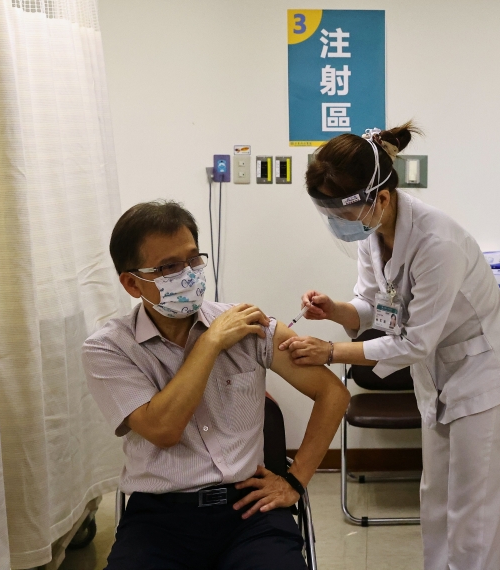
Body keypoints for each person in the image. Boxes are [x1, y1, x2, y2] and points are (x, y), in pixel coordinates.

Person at [281, 124, 500, 570]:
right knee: (436, 499)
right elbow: (376, 306)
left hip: (484, 372)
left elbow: (412, 341)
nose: (341, 222)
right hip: (438, 371)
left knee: (475, 511)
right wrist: (335, 310)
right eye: (331, 212)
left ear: (382, 196)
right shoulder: (372, 230)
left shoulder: (438, 242)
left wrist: (331, 352)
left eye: (346, 211)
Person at [82, 201, 349, 570]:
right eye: (170, 267)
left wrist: (296, 479)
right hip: (158, 520)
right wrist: (209, 343)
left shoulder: (249, 325)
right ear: (131, 283)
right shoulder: (108, 348)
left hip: (248, 511)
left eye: (194, 259)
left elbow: (333, 393)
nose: (189, 274)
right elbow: (163, 429)